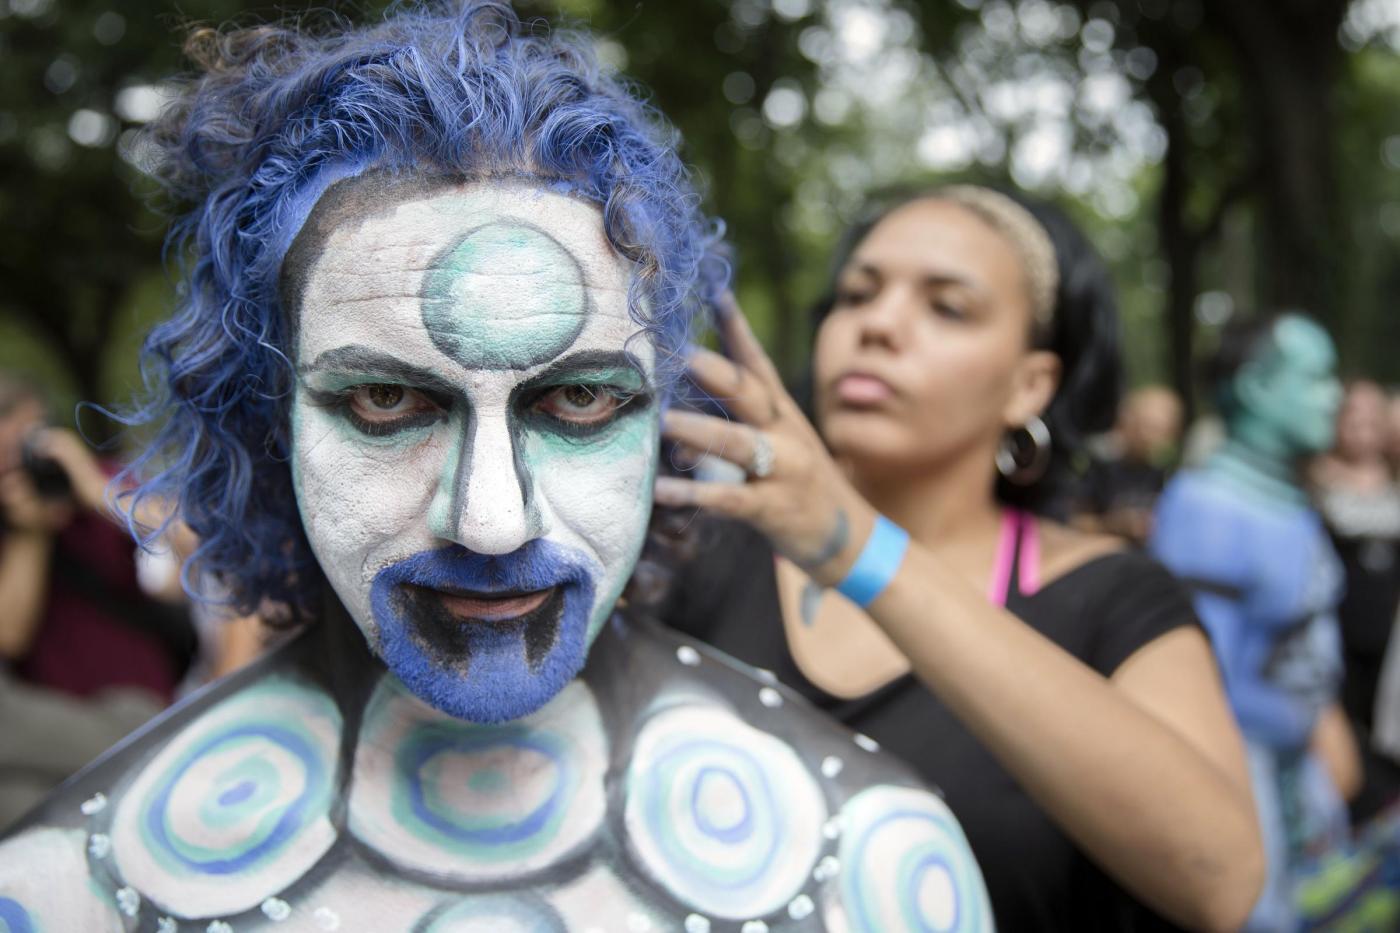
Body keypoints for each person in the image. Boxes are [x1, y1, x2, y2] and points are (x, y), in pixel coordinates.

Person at [0, 5, 993, 931]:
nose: (489, 523)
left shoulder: (861, 873)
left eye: (577, 401)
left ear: (666, 424)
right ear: (271, 422)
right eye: (386, 401)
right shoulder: (72, 893)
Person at [657, 186, 1263, 930]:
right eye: (857, 293)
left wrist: (857, 548)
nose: (877, 324)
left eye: (947, 306)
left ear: (1029, 383)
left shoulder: (1113, 596)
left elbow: (1221, 880)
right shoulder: (701, 550)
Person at [1152, 313, 1357, 929]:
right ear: (1256, 388)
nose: (1335, 395)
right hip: (1240, 778)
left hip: (1299, 776)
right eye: (1315, 378)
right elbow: (1194, 690)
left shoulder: (1285, 502)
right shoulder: (1208, 509)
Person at [0, 376, 189, 828]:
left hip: (138, 708)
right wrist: (32, 535)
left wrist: (91, 487)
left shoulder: (105, 482)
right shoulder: (13, 523)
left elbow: (196, 545)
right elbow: (9, 637)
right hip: (51, 737)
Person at [1310, 379, 1400, 820]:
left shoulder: (1396, 478)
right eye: (1353, 417)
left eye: (1373, 418)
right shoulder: (1313, 480)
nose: (1363, 429)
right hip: (1336, 641)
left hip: (1391, 646)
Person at [1075, 384, 1184, 545]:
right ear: (1129, 421)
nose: (1154, 438)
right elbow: (1072, 522)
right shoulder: (1100, 469)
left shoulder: (1171, 475)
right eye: (1150, 427)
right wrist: (1112, 525)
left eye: (1164, 429)